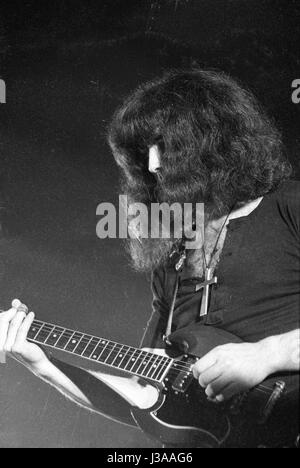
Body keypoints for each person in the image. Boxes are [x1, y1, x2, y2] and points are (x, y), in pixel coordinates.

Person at [0, 70, 299, 444]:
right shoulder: (172, 255)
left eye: (162, 143)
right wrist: (42, 364)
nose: (154, 164)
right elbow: (144, 398)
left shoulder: (289, 206)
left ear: (212, 139)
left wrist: (268, 354)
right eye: (143, 152)